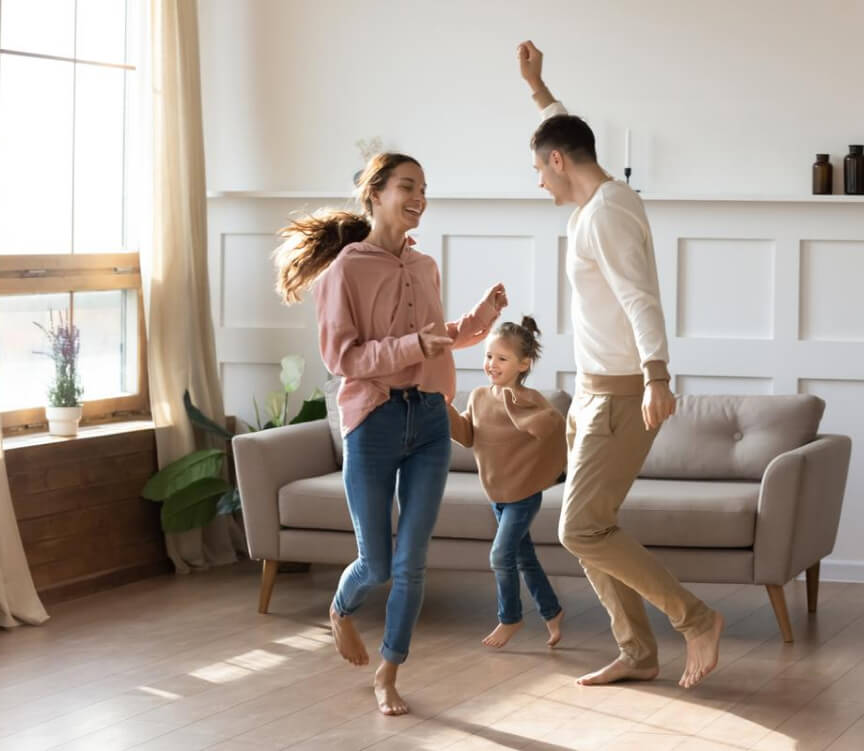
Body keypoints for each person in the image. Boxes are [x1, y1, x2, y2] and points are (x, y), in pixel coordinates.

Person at [516, 41, 723, 689]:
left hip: (620, 395)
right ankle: (636, 651)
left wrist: (658, 377)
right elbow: (565, 130)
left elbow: (640, 299)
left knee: (579, 525)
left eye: (538, 169)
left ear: (556, 162)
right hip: (591, 393)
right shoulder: (599, 199)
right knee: (590, 528)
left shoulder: (605, 213)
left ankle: (694, 618)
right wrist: (538, 88)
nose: (538, 180)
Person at [274, 152, 507, 715]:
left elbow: (431, 337)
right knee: (375, 563)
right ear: (374, 193)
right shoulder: (346, 270)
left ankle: (389, 673)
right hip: (373, 423)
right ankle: (340, 609)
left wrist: (476, 322)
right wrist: (411, 347)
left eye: (424, 187)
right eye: (408, 186)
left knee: (411, 564)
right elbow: (341, 357)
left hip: (427, 419)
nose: (419, 195)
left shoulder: (424, 267)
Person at [448, 316, 566, 649]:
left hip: (523, 494)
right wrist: (443, 411)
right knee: (523, 558)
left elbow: (548, 427)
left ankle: (509, 618)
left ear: (523, 364)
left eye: (502, 358)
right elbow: (468, 435)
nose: (491, 364)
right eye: (489, 356)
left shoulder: (531, 400)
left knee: (500, 556)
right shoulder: (479, 396)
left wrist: (518, 411)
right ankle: (553, 612)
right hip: (496, 493)